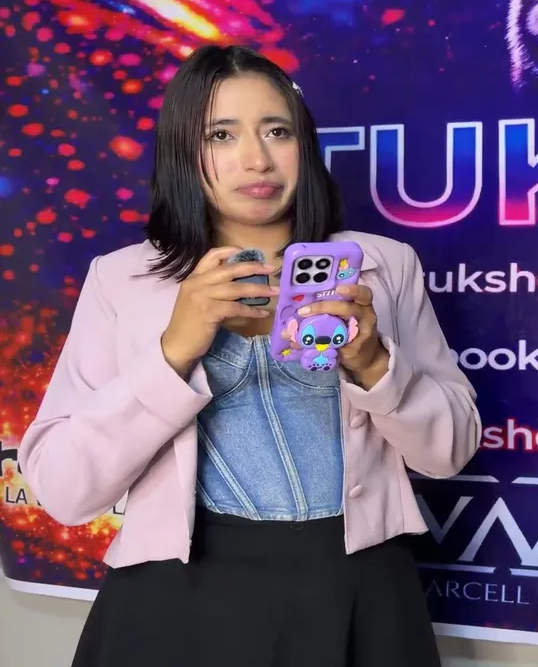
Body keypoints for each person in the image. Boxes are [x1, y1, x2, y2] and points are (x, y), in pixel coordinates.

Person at [19, 45, 481, 667]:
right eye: (221, 134)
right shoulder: (123, 279)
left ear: (303, 145)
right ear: (184, 152)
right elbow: (64, 490)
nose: (257, 158)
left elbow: (450, 451)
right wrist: (174, 351)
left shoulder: (384, 266)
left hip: (360, 590)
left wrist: (375, 363)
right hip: (176, 595)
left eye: (277, 131)